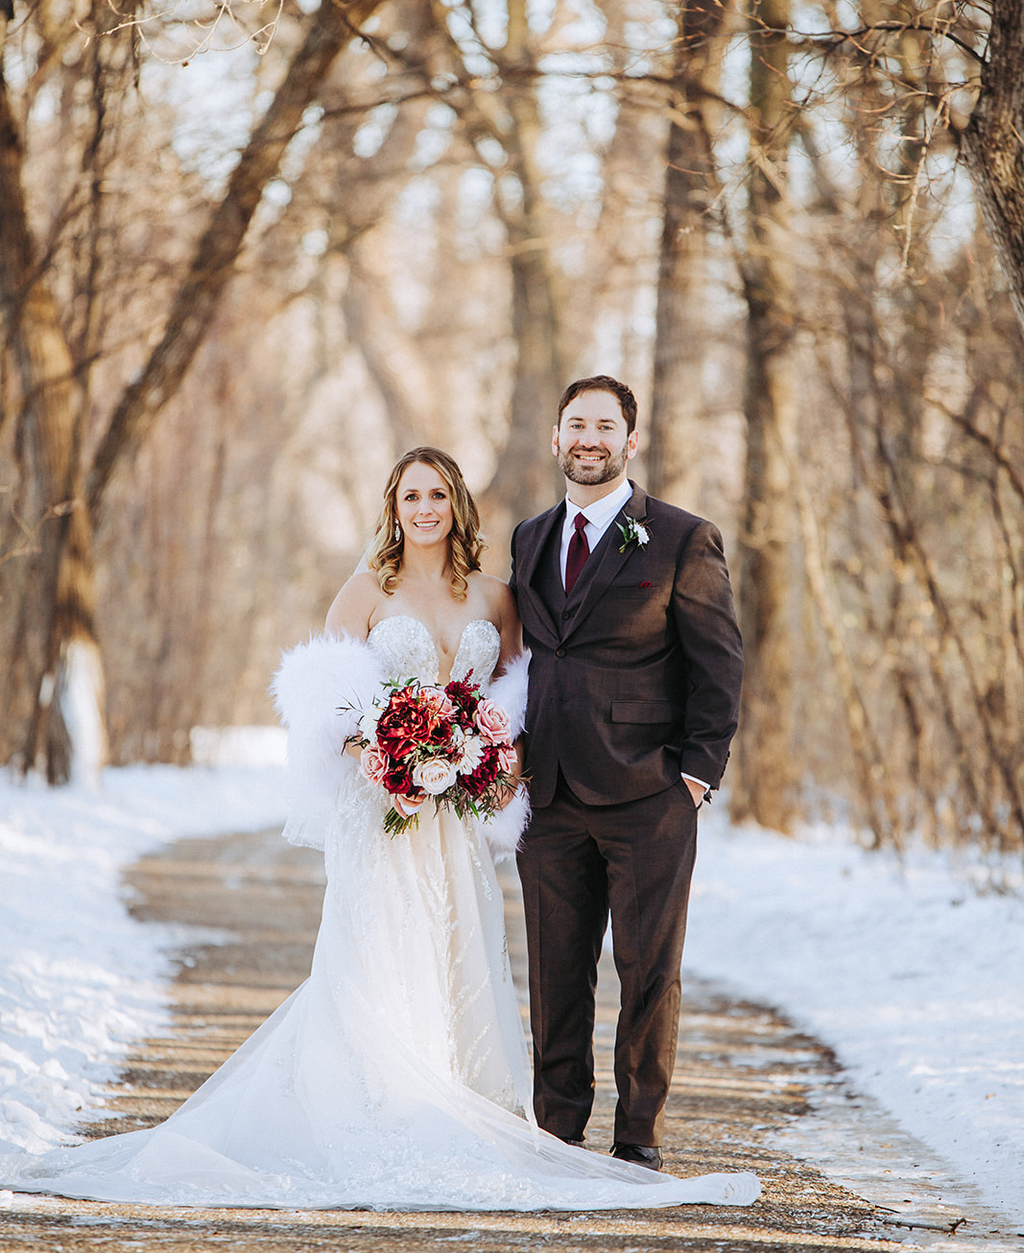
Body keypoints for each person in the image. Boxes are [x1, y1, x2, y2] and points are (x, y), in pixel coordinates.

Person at [2, 446, 757, 1211]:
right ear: (393, 509)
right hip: (385, 815)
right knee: (380, 955)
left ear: (457, 505)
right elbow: (324, 704)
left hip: (456, 821)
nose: (424, 509)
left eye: (437, 495)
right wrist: (380, 751)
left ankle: (461, 1102)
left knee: (458, 952)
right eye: (410, 496)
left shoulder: (496, 596)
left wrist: (489, 760)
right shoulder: (367, 590)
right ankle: (377, 1108)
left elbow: (522, 697)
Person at [511, 377, 744, 1172]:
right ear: (556, 437)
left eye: (604, 426)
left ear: (630, 441)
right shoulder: (530, 537)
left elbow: (720, 664)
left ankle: (637, 1133)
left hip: (650, 792)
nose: (589, 438)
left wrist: (696, 774)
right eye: (576, 423)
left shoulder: (682, 537)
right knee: (554, 967)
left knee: (648, 970)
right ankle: (557, 1125)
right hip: (548, 793)